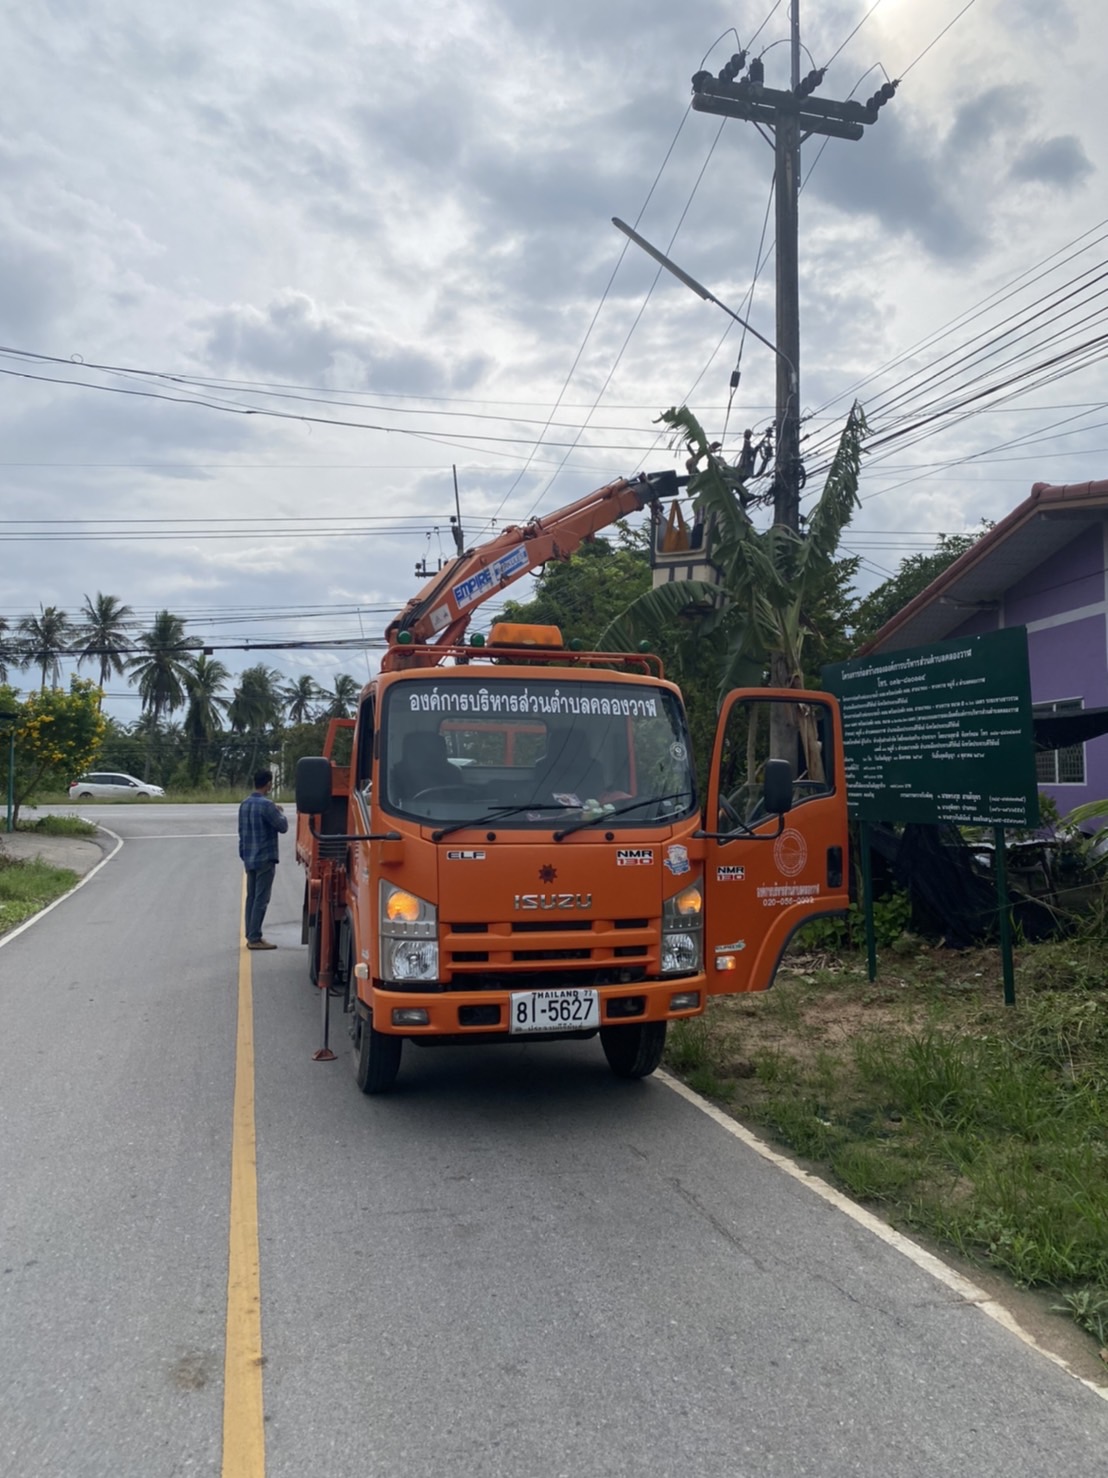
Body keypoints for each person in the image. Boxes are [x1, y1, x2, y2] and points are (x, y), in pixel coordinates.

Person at [238, 768, 289, 950]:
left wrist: (243, 854)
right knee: (261, 898)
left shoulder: (244, 804)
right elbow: (282, 826)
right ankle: (255, 937)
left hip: (249, 857)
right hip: (265, 857)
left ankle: (250, 934)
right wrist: (279, 811)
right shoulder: (267, 806)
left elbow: (241, 833)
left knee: (251, 897)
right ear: (268, 784)